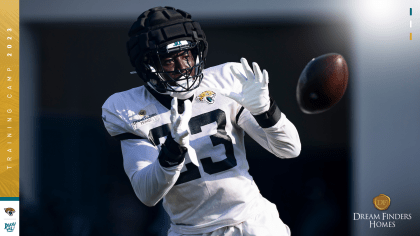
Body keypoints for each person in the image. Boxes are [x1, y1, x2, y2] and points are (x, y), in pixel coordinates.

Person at [102, 6, 301, 236]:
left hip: (250, 223)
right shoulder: (128, 109)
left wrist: (265, 110)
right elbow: (148, 194)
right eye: (168, 60)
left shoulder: (226, 81)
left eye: (186, 55)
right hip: (189, 231)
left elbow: (289, 149)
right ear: (148, 66)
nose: (183, 68)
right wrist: (173, 148)